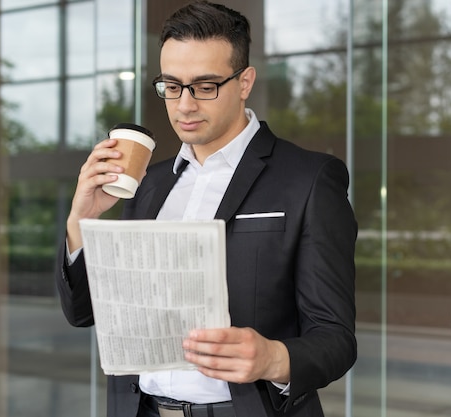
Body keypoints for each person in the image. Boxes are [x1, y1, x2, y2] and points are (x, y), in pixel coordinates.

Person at [55, 1, 357, 416]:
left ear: (245, 81)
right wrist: (81, 221)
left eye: (205, 86)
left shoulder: (308, 179)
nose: (184, 105)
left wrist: (272, 358)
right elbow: (84, 313)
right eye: (172, 86)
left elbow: (336, 338)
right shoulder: (149, 185)